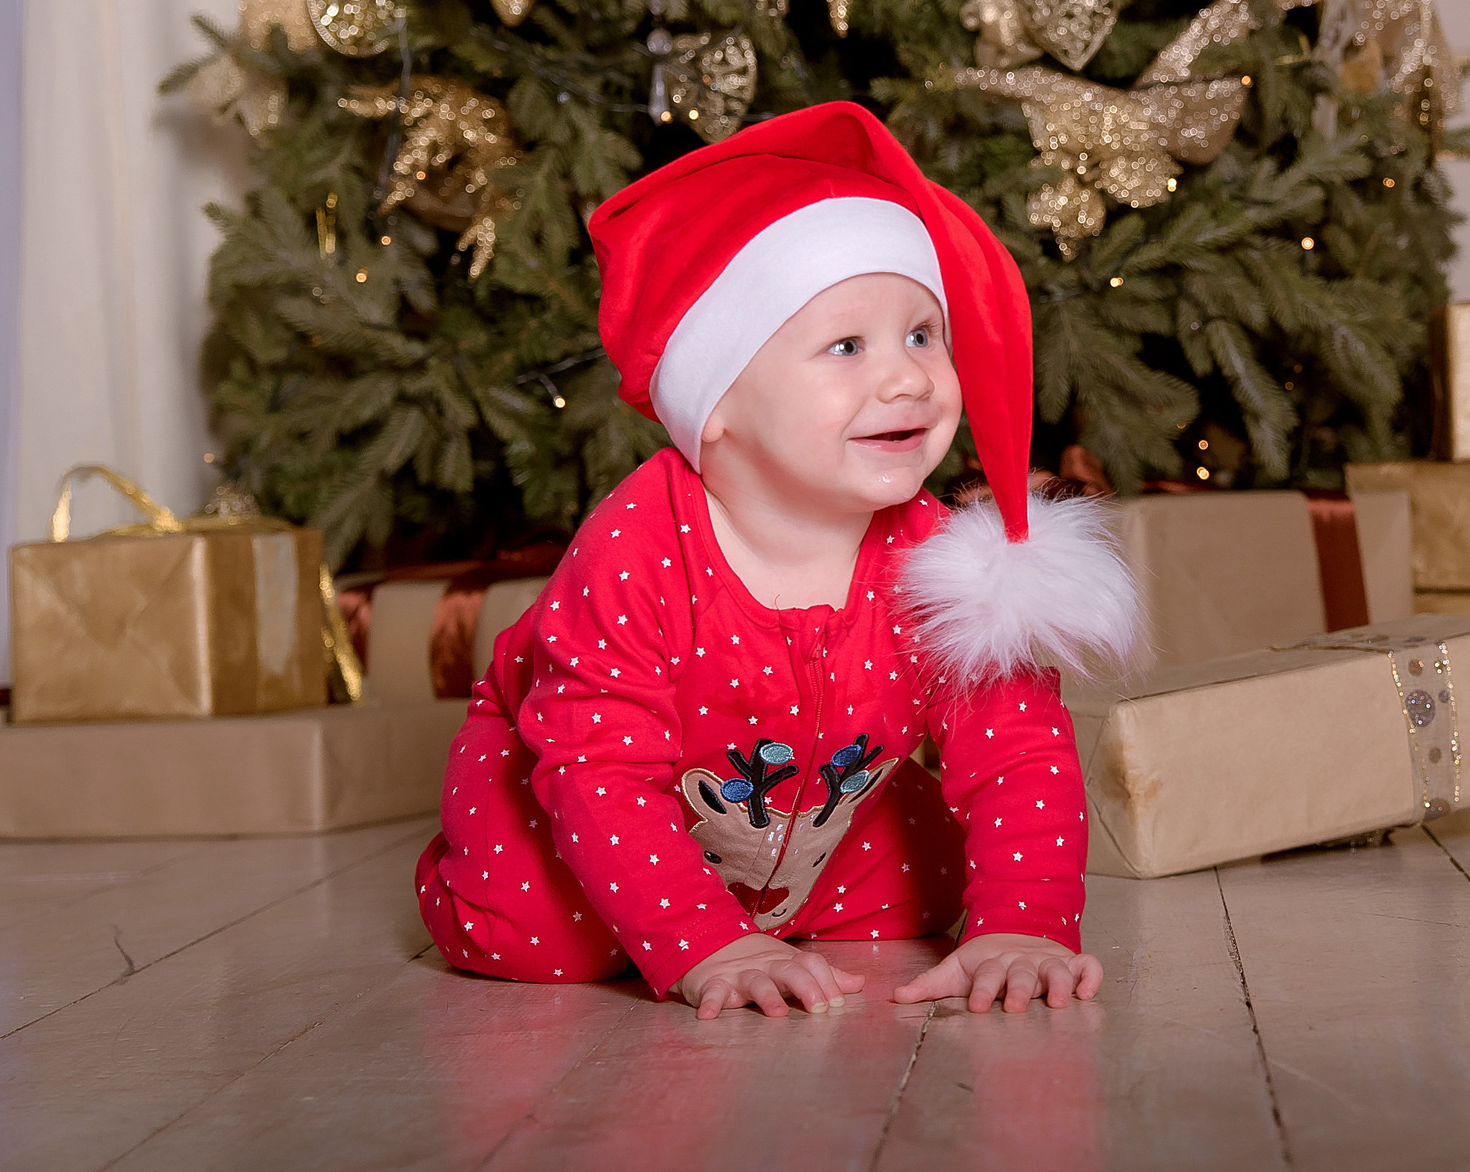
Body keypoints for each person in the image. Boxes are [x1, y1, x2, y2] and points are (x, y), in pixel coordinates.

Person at [414, 102, 1142, 1019]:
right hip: (587, 794)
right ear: (716, 402)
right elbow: (596, 767)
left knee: (953, 882)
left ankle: (774, 913)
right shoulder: (637, 550)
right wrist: (705, 946)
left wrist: (1023, 922)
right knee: (532, 931)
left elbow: (1016, 751)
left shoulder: (938, 559)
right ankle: (690, 914)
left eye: (923, 333)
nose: (909, 376)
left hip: (815, 832)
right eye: (847, 345)